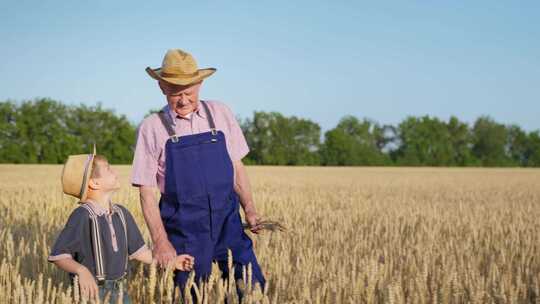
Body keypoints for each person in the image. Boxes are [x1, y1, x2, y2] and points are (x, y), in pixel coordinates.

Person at [131, 49, 266, 296]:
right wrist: (161, 243)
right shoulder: (152, 128)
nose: (183, 100)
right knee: (189, 295)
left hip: (228, 224)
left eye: (189, 92)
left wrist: (250, 210)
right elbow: (147, 193)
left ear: (200, 84)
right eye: (175, 93)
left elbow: (237, 167)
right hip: (184, 231)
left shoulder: (221, 113)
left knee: (252, 290)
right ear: (162, 87)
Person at [48, 151, 195, 303]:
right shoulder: (82, 216)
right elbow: (60, 255)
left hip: (120, 292)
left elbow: (140, 253)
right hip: (92, 293)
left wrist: (172, 262)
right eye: (109, 169)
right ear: (94, 183)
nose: (115, 172)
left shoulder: (122, 214)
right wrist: (81, 270)